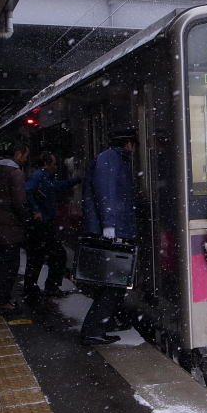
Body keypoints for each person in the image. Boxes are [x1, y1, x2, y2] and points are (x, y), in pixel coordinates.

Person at [80, 129, 138, 345]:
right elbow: (107, 193)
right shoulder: (109, 160)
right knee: (113, 282)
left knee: (115, 282)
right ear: (129, 144)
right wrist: (109, 224)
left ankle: (106, 322)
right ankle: (93, 330)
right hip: (114, 229)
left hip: (119, 227)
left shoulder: (113, 159)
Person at [23, 151, 80, 298]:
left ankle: (34, 288)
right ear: (47, 164)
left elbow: (56, 186)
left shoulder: (44, 177)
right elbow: (28, 191)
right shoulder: (38, 176)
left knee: (40, 257)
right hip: (41, 225)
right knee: (55, 255)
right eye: (54, 164)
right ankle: (47, 288)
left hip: (43, 225)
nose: (56, 167)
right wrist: (36, 211)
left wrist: (75, 180)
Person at [0, 142, 30, 315]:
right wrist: (27, 218)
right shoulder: (14, 173)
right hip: (9, 227)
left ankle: (0, 299)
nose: (26, 159)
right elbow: (19, 202)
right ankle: (3, 301)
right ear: (18, 154)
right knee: (9, 265)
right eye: (25, 155)